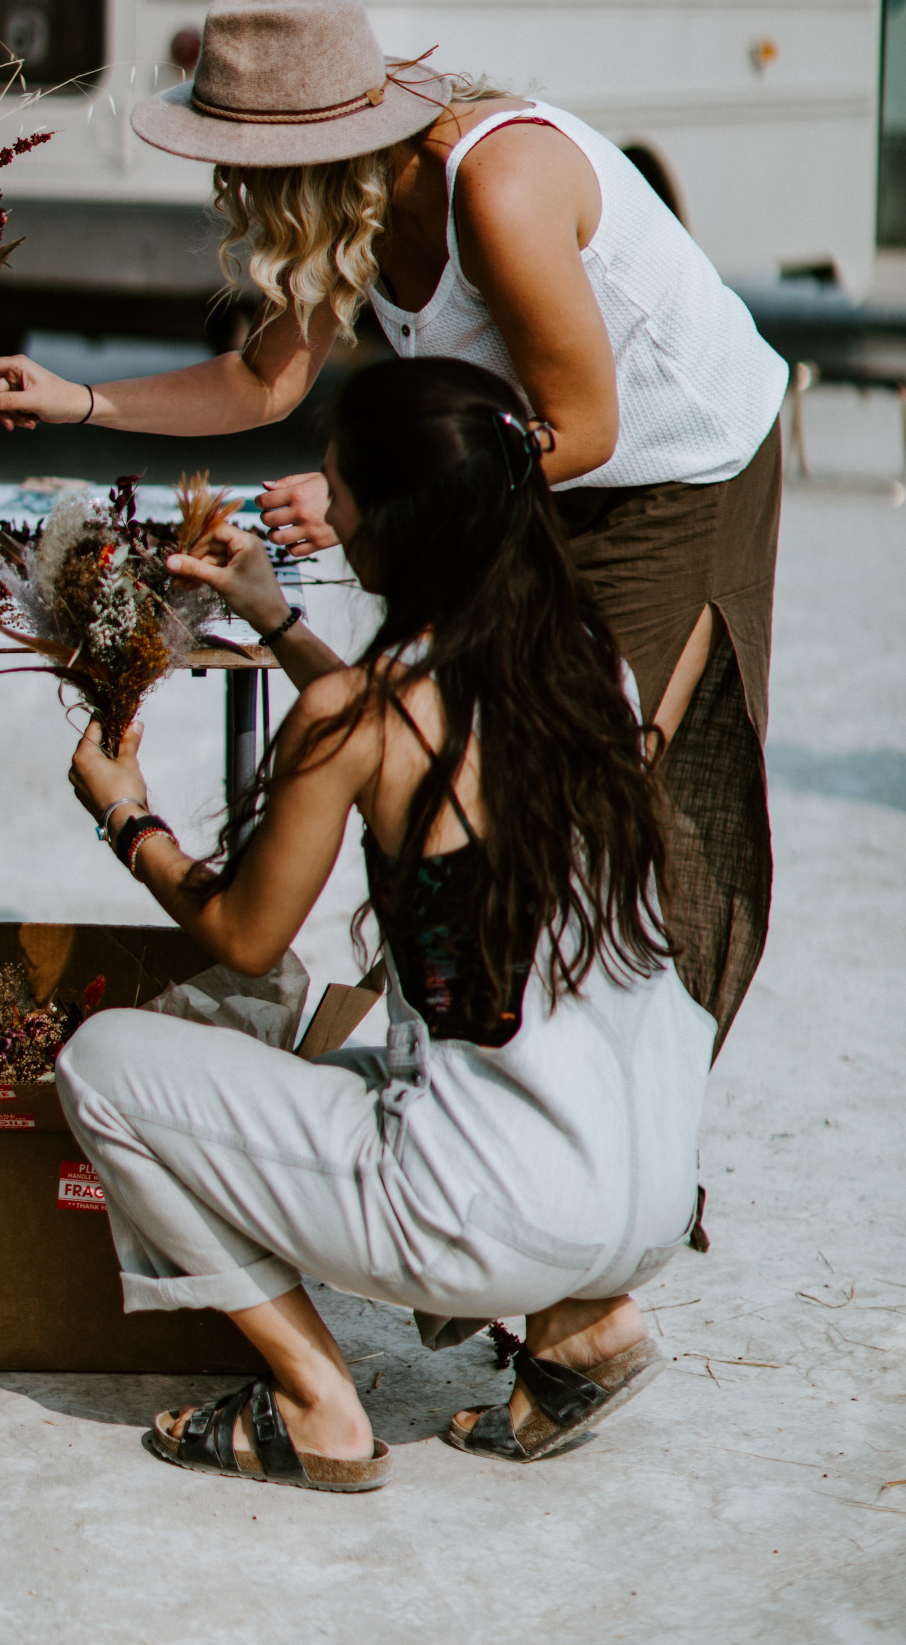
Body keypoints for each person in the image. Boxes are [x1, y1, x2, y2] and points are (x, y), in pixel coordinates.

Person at [0, 0, 787, 1046]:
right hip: (518, 459)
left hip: (674, 471)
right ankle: (486, 1058)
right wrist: (82, 400)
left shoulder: (494, 188)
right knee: (465, 748)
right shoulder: (350, 201)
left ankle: (629, 1112)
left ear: (309, 149)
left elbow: (581, 428)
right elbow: (264, 382)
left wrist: (376, 498)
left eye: (240, 160)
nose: (227, 182)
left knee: (600, 781)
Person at [55, 357, 715, 1493]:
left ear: (397, 523)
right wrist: (275, 619)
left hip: (492, 1208)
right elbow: (397, 734)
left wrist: (127, 819)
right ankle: (580, 1328)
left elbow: (243, 934)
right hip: (646, 1187)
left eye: (336, 486)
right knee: (359, 1050)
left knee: (106, 1067)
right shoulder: (578, 659)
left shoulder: (353, 716)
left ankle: (315, 1405)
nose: (324, 506)